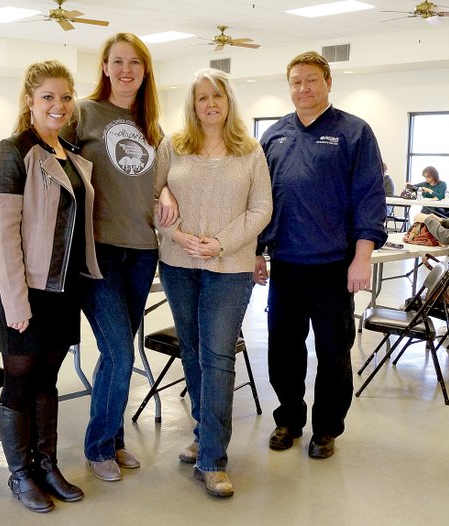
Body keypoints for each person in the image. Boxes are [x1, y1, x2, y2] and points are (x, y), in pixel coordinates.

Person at [256, 51, 387, 459]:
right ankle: (289, 420)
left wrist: (362, 256)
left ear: (328, 82)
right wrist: (257, 251)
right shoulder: (275, 135)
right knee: (283, 350)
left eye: (311, 80)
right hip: (286, 265)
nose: (303, 88)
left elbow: (370, 196)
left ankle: (326, 428)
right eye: (295, 81)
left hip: (333, 266)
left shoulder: (354, 133)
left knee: (333, 352)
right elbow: (260, 200)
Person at [62, 32, 177, 482]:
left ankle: (114, 440)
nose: (126, 69)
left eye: (135, 62)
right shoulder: (84, 114)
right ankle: (97, 446)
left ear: (145, 71)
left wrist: (166, 187)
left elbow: (165, 176)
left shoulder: (152, 125)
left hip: (143, 251)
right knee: (117, 350)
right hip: (99, 251)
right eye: (117, 62)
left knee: (116, 354)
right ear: (105, 67)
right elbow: (54, 164)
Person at [0, 60, 102, 513]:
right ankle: (20, 474)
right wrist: (16, 301)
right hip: (26, 289)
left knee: (48, 379)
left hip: (63, 289)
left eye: (65, 96)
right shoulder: (13, 152)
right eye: (48, 97)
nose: (58, 105)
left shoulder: (70, 155)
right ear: (30, 102)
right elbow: (4, 235)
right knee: (19, 381)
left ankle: (46, 464)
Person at [154, 68, 272, 498]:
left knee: (218, 357)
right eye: (202, 97)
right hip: (178, 263)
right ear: (193, 104)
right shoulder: (174, 147)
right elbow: (151, 197)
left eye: (217, 96)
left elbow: (261, 210)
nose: (210, 104)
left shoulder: (251, 151)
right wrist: (177, 230)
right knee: (192, 352)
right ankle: (206, 433)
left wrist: (219, 243)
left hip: (230, 268)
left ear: (229, 101)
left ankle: (213, 460)